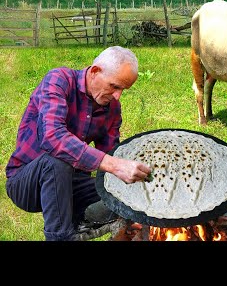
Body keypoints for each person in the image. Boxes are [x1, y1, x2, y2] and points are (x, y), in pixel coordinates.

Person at [5, 46, 152, 241]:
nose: (118, 96)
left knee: (124, 196)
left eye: (123, 90)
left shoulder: (112, 108)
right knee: (57, 159)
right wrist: (115, 165)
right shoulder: (59, 80)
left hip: (73, 185)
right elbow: (52, 138)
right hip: (27, 183)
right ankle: (61, 237)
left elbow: (111, 155)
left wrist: (137, 177)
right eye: (114, 86)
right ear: (95, 72)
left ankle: (82, 221)